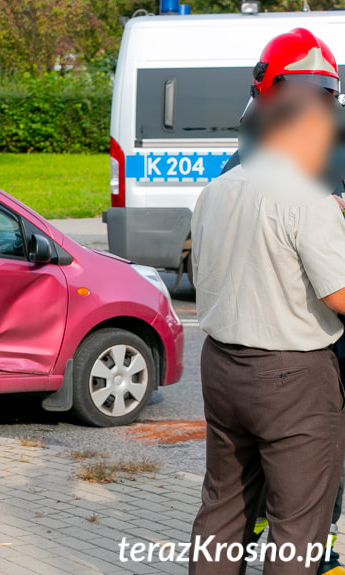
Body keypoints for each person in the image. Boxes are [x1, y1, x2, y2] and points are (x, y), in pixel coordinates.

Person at [189, 28, 345, 575]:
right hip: (293, 378)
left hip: (222, 366)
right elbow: (339, 294)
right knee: (298, 525)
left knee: (224, 506)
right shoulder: (310, 198)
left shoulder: (218, 188)